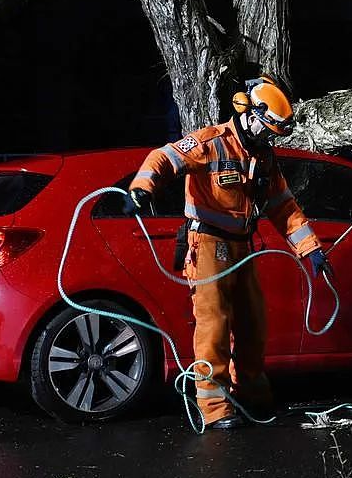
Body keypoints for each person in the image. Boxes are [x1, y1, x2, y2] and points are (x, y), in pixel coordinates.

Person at [124, 76, 333, 430]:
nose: (269, 139)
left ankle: (251, 395)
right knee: (214, 326)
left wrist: (310, 249)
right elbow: (165, 157)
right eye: (266, 130)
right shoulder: (211, 143)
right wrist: (142, 188)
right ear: (250, 114)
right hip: (207, 244)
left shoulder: (263, 158)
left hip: (242, 246)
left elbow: (283, 208)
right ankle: (215, 407)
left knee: (253, 323)